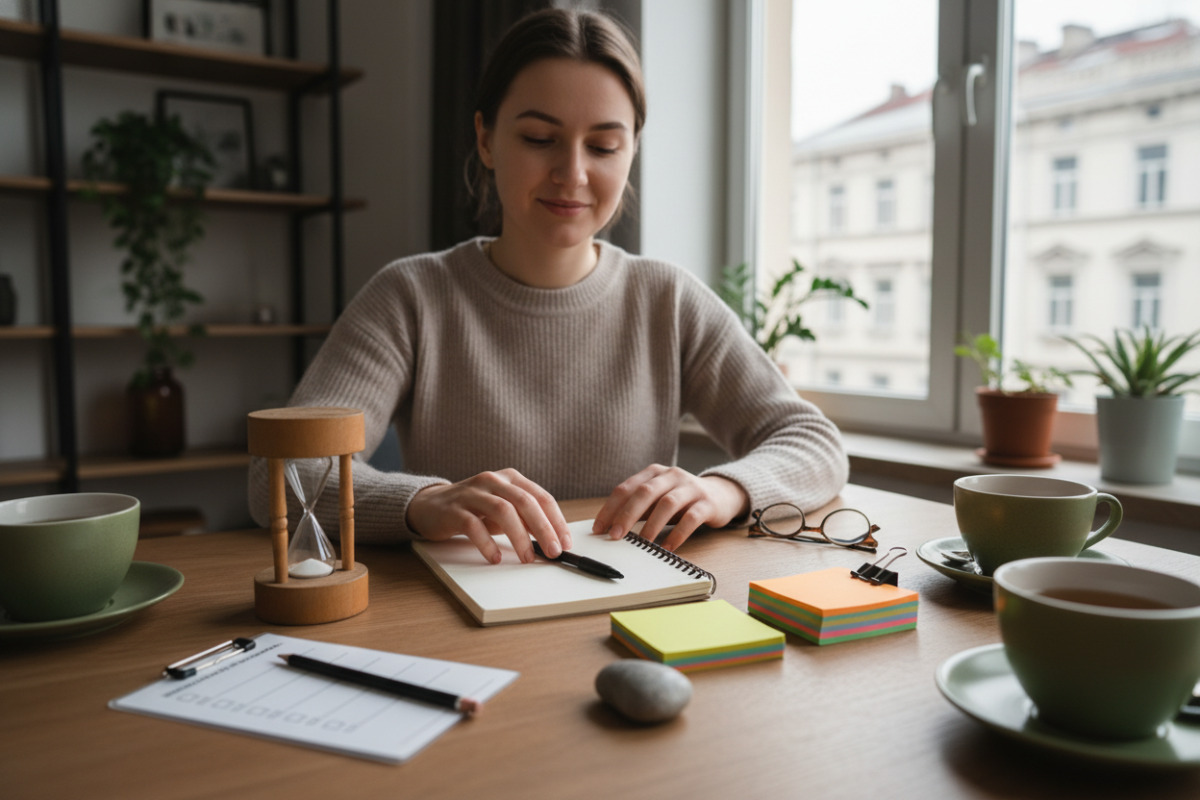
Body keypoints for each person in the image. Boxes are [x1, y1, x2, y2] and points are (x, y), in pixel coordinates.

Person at [248, 8, 848, 563]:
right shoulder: (412, 296)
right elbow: (281, 473)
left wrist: (723, 490)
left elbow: (812, 441)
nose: (573, 174)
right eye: (540, 139)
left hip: (631, 607)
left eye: (605, 145)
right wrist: (421, 503)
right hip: (460, 613)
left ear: (632, 149)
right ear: (486, 139)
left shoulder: (668, 300)